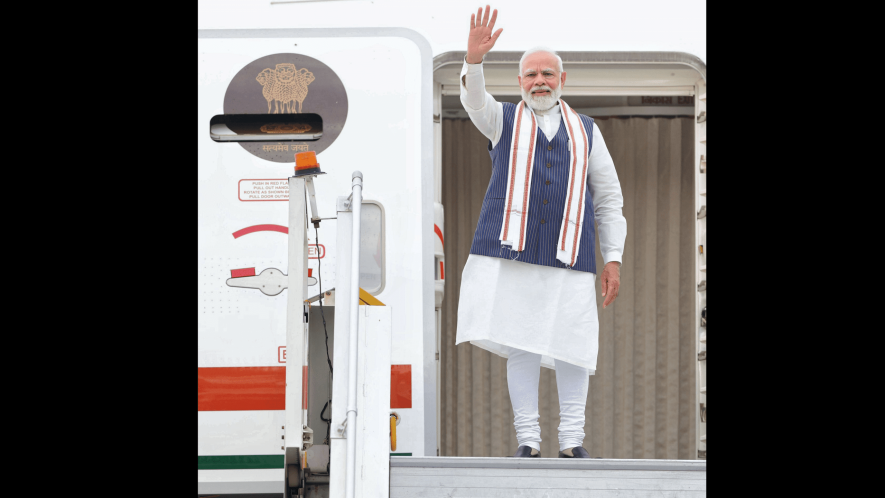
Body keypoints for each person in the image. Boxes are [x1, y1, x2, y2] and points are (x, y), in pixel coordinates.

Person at [455, 5, 627, 459]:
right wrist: (474, 63)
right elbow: (474, 102)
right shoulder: (502, 120)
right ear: (519, 82)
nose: (539, 81)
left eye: (548, 73)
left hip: (571, 256)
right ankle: (528, 440)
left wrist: (613, 258)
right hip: (513, 252)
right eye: (530, 74)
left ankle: (572, 442)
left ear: (562, 80)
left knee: (573, 345)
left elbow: (608, 198)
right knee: (523, 344)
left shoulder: (588, 132)